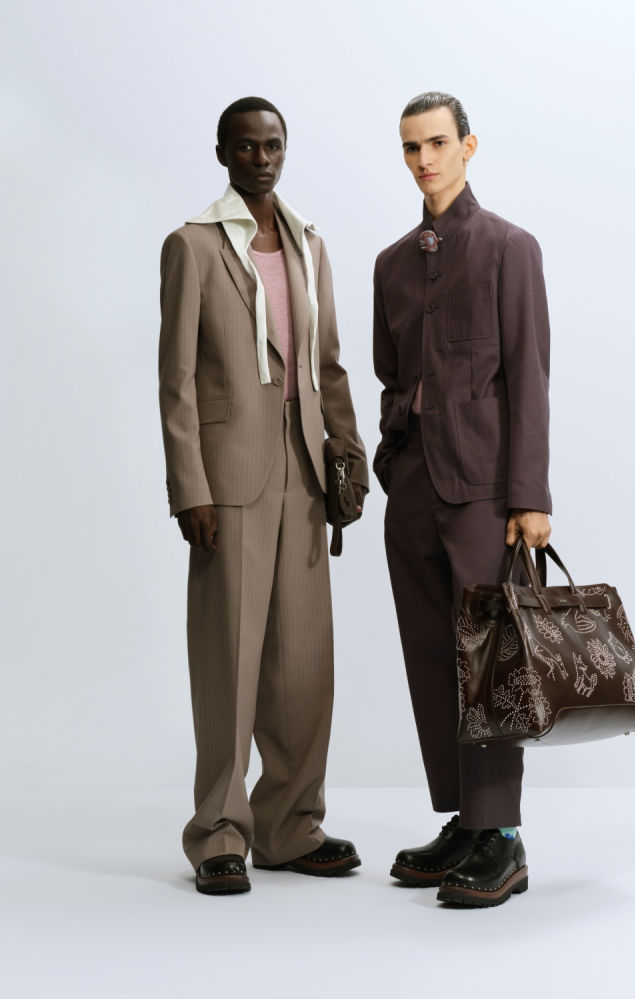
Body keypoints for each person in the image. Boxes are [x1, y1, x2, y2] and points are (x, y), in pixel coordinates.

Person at [159, 97, 368, 895]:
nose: (261, 158)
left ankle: (291, 826)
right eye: (246, 147)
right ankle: (219, 831)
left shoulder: (311, 243)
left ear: (287, 149)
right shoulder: (193, 245)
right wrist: (190, 486)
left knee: (303, 662)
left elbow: (329, 364)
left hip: (305, 470)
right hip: (229, 477)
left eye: (273, 145)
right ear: (222, 153)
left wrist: (348, 455)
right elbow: (176, 380)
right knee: (230, 659)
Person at [372, 92, 552, 907]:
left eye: (438, 143)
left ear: (468, 146)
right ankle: (464, 822)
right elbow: (390, 374)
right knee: (430, 657)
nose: (425, 160)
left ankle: (502, 836)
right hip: (413, 489)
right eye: (412, 147)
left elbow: (530, 378)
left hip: (485, 493)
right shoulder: (391, 264)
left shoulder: (511, 248)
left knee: (490, 663)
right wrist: (391, 454)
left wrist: (529, 495)